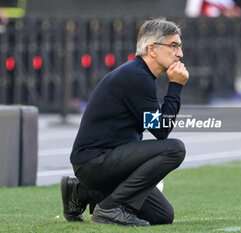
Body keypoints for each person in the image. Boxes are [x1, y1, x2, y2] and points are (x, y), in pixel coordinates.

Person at [60, 18, 189, 227]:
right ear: (152, 49)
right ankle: (110, 209)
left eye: (180, 47)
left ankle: (80, 192)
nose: (180, 53)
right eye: (174, 46)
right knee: (174, 149)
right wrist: (175, 87)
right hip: (95, 162)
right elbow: (161, 131)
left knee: (162, 215)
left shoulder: (140, 75)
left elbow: (157, 127)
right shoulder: (137, 77)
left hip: (106, 162)